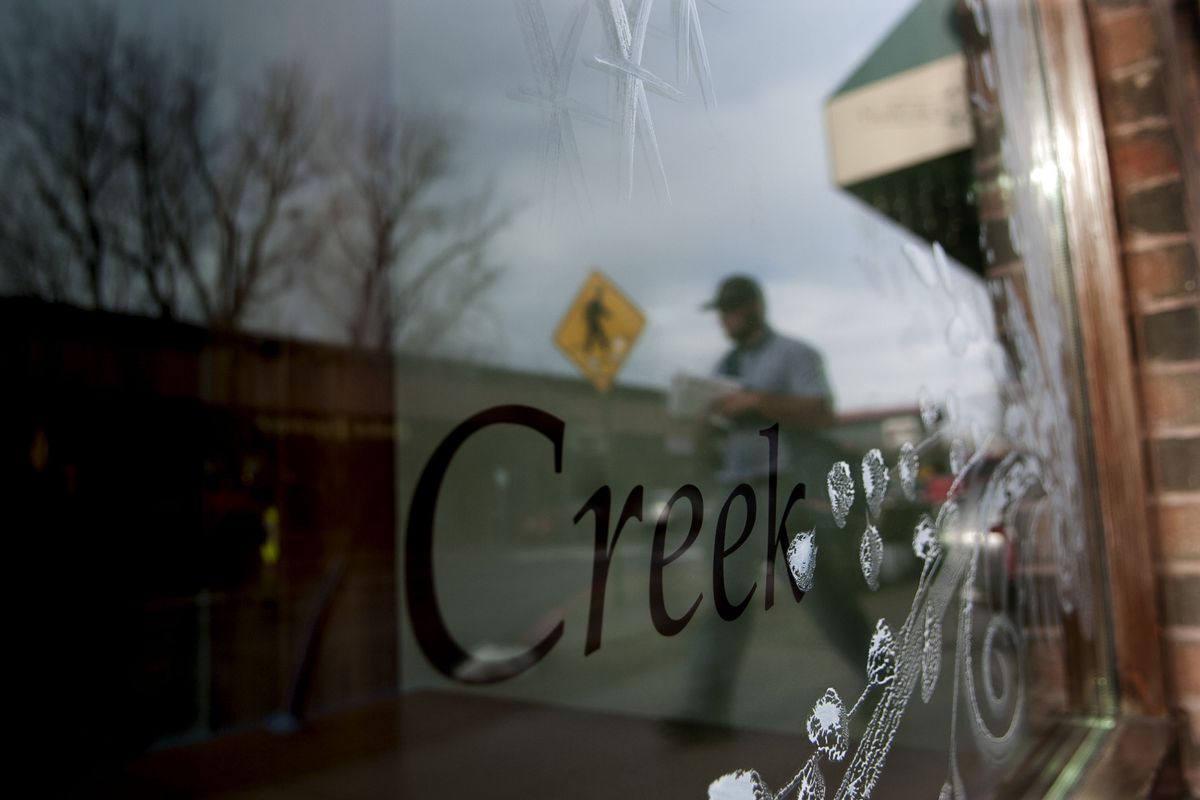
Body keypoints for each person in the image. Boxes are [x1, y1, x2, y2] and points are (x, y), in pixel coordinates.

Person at [672, 274, 867, 733]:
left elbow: (821, 411)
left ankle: (880, 680)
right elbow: (716, 430)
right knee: (726, 599)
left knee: (823, 597)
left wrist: (757, 401)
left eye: (731, 310)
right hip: (736, 491)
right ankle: (705, 711)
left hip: (784, 490)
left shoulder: (794, 354)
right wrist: (706, 418)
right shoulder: (724, 364)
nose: (724, 320)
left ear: (754, 307)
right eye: (719, 312)